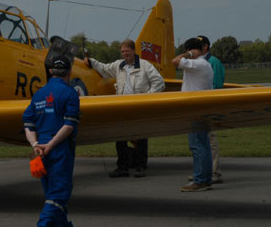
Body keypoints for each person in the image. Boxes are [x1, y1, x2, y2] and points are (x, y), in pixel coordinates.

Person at [22, 56, 86, 227]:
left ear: (50, 72)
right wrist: (50, 146)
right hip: (58, 152)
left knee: (53, 197)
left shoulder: (38, 94)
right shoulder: (69, 93)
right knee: (58, 198)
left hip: (39, 153)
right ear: (69, 74)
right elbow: (68, 126)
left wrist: (36, 146)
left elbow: (28, 124)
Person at [84, 39, 165, 178]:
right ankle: (122, 167)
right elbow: (104, 68)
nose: (125, 54)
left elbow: (159, 82)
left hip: (138, 106)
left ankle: (140, 167)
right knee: (120, 138)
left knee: (140, 138)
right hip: (122, 106)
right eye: (122, 52)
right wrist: (91, 62)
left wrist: (147, 98)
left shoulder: (145, 66)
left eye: (127, 51)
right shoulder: (118, 65)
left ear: (133, 51)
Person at [172, 37, 214, 192]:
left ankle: (200, 180)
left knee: (197, 146)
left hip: (196, 110)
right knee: (204, 145)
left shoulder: (198, 64)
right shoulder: (204, 65)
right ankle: (206, 178)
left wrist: (188, 54)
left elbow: (175, 61)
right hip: (202, 109)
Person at [198, 35, 225, 184]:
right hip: (199, 107)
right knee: (199, 140)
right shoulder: (199, 62)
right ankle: (202, 171)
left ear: (206, 47)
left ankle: (215, 172)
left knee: (211, 140)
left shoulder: (213, 62)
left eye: (198, 46)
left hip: (209, 106)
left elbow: (218, 85)